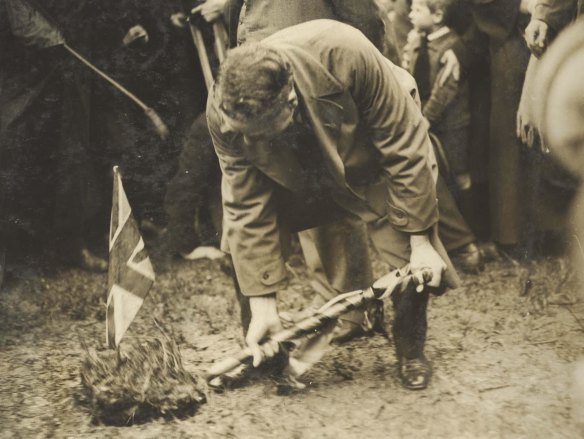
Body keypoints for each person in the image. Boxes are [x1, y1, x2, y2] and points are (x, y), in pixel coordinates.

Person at [207, 19, 461, 390]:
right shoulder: (225, 114)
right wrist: (262, 301)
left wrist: (421, 243)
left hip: (372, 146)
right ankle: (266, 351)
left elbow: (404, 148)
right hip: (296, 161)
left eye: (253, 134)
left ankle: (410, 348)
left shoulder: (346, 52)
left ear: (288, 103)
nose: (238, 138)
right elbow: (247, 207)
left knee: (409, 252)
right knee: (239, 243)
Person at [405, 0, 472, 198]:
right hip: (426, 121)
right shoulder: (417, 42)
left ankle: (465, 218)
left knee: (457, 175)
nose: (410, 15)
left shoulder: (451, 46)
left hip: (451, 125)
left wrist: (426, 118)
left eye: (417, 10)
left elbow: (445, 89)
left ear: (437, 16)